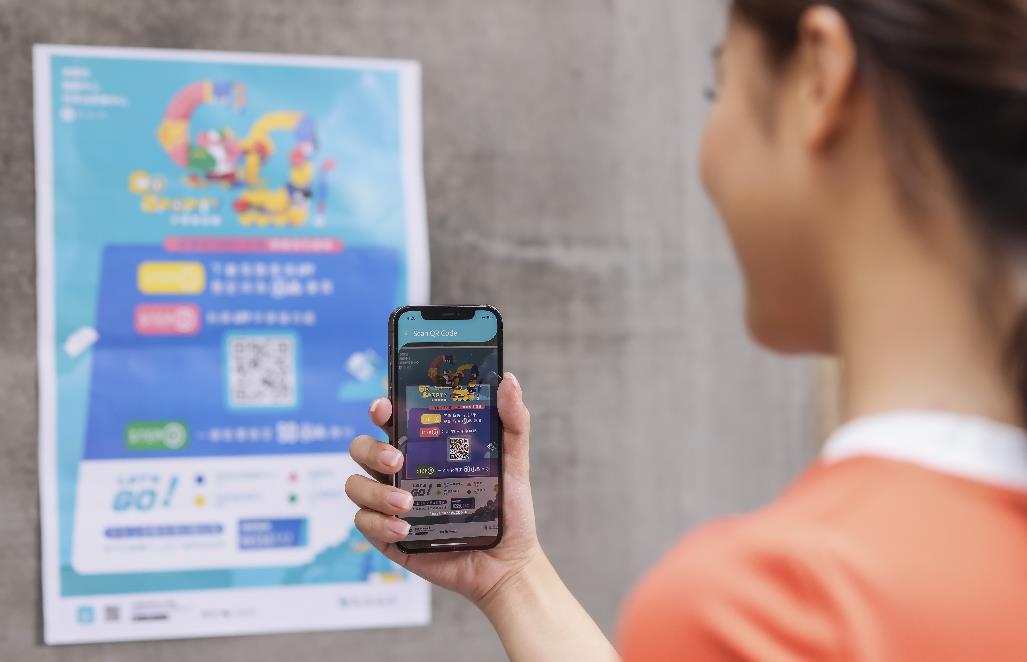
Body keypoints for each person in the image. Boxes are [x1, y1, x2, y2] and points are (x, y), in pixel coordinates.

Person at [344, 0, 1027, 659]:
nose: (707, 155)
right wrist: (512, 579)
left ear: (821, 78)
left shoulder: (770, 609)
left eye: (716, 88)